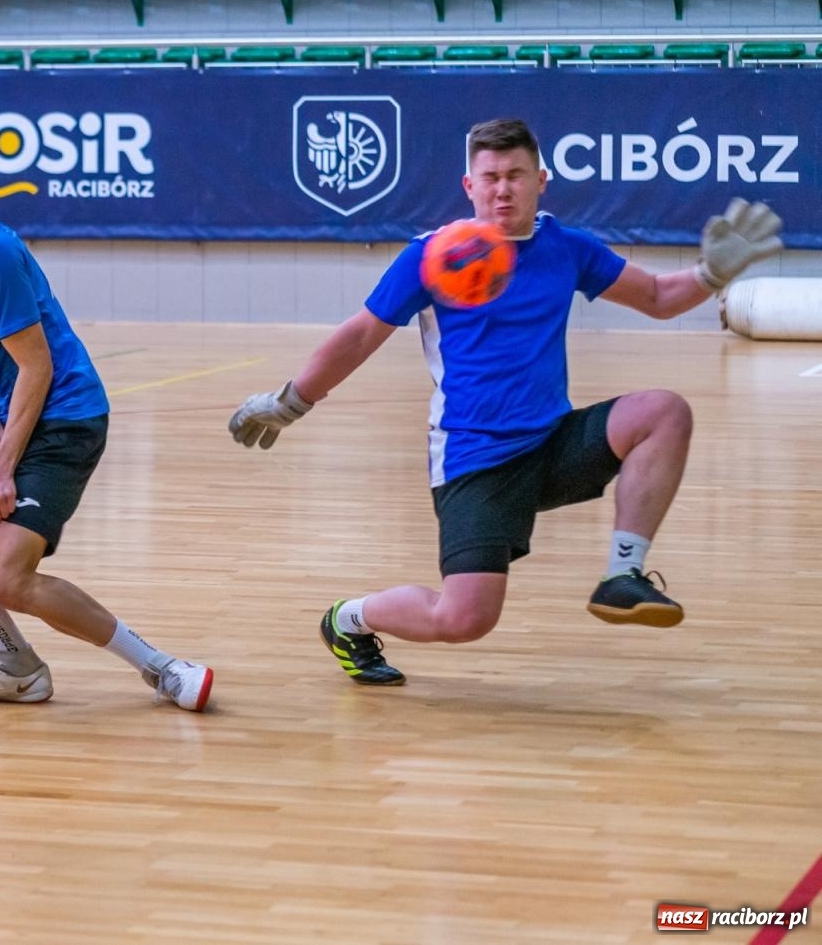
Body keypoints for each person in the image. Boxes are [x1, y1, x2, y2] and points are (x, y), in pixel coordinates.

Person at [227, 117, 783, 686]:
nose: (503, 189)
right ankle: (347, 620)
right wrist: (292, 402)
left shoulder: (566, 247)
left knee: (664, 412)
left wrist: (711, 272)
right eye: (490, 177)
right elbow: (361, 334)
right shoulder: (433, 256)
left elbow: (659, 297)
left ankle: (623, 574)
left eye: (516, 175)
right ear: (469, 186)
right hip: (474, 461)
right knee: (464, 619)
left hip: (551, 443)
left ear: (541, 180)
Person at [0, 130, 214, 711]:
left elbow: (37, 366)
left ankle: (162, 668)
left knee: (9, 580)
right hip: (0, 409)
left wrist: (1, 469)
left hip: (64, 413)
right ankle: (17, 666)